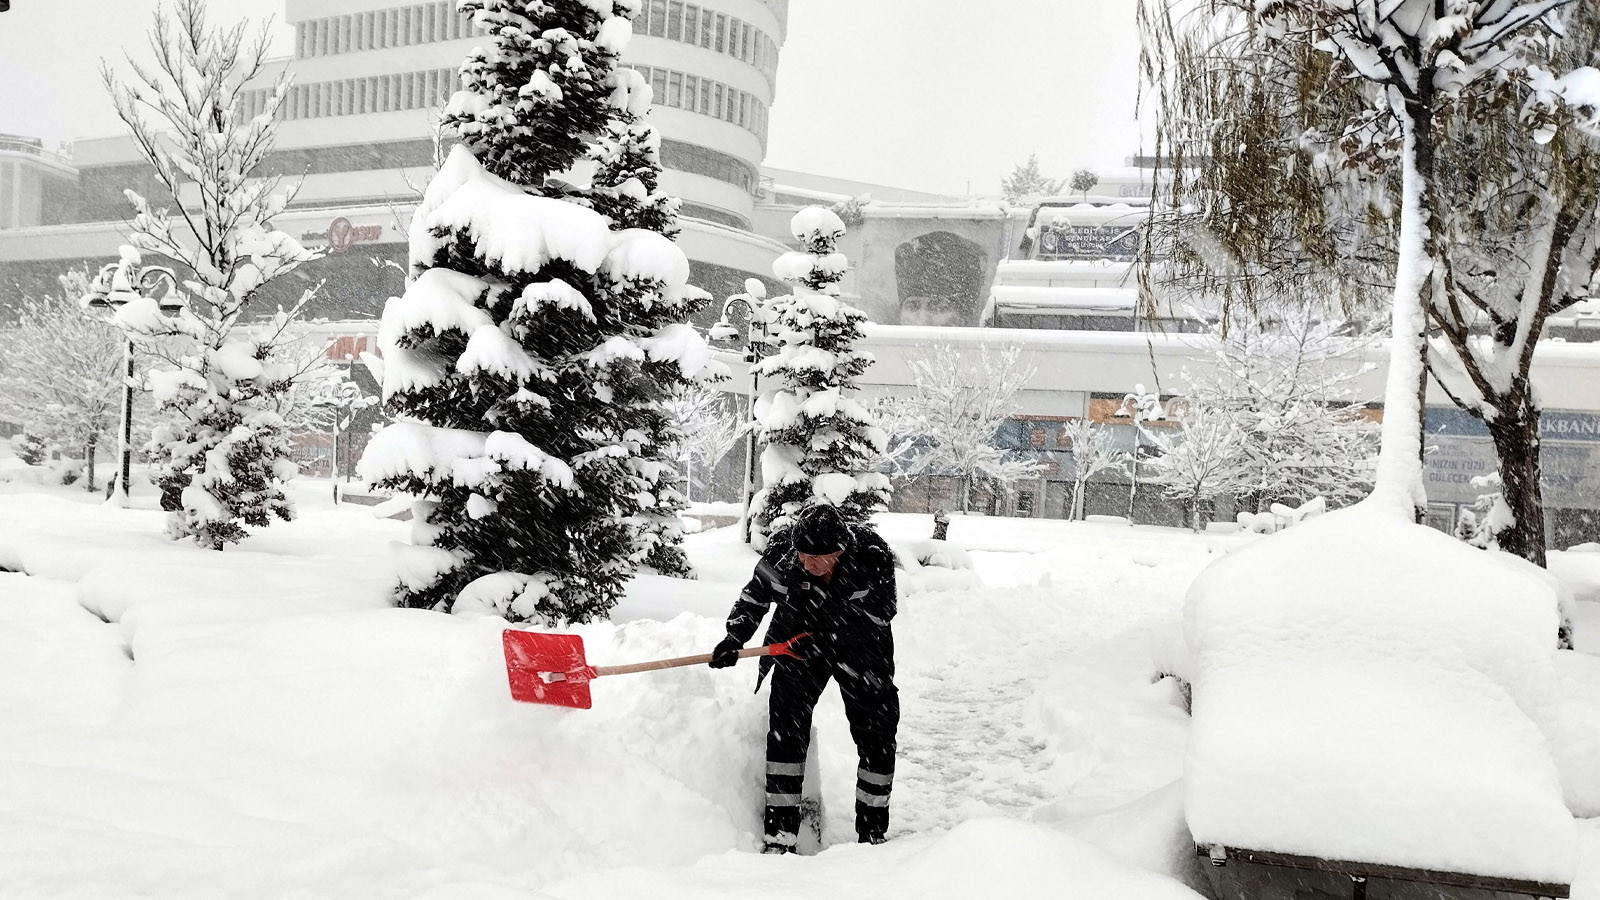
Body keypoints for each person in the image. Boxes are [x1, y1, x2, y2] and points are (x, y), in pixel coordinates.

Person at [710, 503, 900, 854]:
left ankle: (872, 831)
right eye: (802, 555)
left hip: (862, 649)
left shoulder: (872, 556)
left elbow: (882, 611)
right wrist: (733, 638)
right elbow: (754, 596)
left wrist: (827, 639)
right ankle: (780, 835)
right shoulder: (785, 556)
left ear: (839, 551)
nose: (806, 563)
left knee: (877, 732)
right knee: (786, 729)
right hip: (797, 645)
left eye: (816, 558)